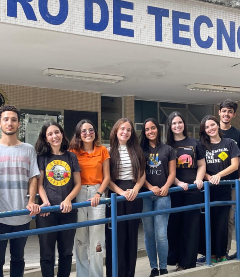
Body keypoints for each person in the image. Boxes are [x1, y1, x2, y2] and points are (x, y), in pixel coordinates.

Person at [0, 105, 41, 277]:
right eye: (6, 119)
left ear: (18, 124)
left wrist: (31, 202)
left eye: (13, 120)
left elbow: (33, 178)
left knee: (18, 259)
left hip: (22, 213)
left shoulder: (28, 149)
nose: (10, 123)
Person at [35, 122, 81, 277]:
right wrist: (45, 202)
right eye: (50, 134)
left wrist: (68, 199)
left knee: (66, 252)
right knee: (47, 254)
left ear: (62, 134)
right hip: (48, 212)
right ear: (46, 138)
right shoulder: (42, 158)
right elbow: (39, 184)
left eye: (57, 132)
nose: (54, 136)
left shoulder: (71, 156)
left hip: (68, 211)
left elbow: (78, 183)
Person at [105, 118, 146, 277]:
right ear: (116, 130)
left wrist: (136, 189)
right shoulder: (108, 151)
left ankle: (129, 273)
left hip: (134, 195)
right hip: (116, 196)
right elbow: (106, 179)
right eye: (122, 129)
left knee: (131, 236)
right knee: (116, 236)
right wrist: (120, 193)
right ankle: (115, 273)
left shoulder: (137, 150)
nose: (125, 132)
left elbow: (142, 175)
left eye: (129, 130)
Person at [69, 119, 110, 277]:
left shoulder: (102, 150)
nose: (88, 133)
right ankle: (83, 274)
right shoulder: (73, 152)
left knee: (97, 238)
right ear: (79, 134)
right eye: (84, 131)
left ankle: (97, 274)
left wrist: (99, 193)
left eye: (91, 130)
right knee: (80, 238)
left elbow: (107, 177)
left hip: (97, 192)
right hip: (78, 193)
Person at [166, 111, 205, 271]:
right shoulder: (167, 146)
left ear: (184, 124)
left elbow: (202, 165)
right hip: (174, 191)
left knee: (191, 226)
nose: (177, 126)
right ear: (170, 126)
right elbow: (167, 171)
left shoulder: (195, 143)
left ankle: (188, 262)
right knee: (174, 226)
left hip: (193, 191)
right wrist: (178, 182)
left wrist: (199, 179)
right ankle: (176, 260)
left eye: (180, 122)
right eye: (174, 123)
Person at [198, 115, 240, 263]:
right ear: (204, 130)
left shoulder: (229, 143)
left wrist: (218, 176)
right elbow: (200, 166)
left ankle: (222, 254)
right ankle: (211, 254)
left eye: (213, 125)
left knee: (222, 222)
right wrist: (209, 177)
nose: (211, 128)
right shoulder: (202, 145)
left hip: (224, 189)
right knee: (209, 222)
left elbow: (235, 165)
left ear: (217, 125)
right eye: (207, 127)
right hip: (207, 190)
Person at [140, 118, 176, 277]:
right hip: (146, 196)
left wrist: (166, 187)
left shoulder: (168, 149)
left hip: (163, 196)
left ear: (158, 129)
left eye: (152, 128)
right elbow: (139, 174)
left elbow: (172, 173)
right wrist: (150, 187)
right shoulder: (140, 150)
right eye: (147, 129)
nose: (150, 132)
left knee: (161, 234)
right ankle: (153, 268)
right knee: (149, 233)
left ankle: (163, 267)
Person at [217, 99, 240, 260]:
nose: (226, 114)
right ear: (219, 112)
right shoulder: (211, 131)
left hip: (231, 184)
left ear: (234, 114)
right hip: (213, 185)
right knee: (211, 218)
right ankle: (211, 251)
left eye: (230, 111)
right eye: (224, 111)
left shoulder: (238, 134)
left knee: (229, 220)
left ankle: (224, 252)